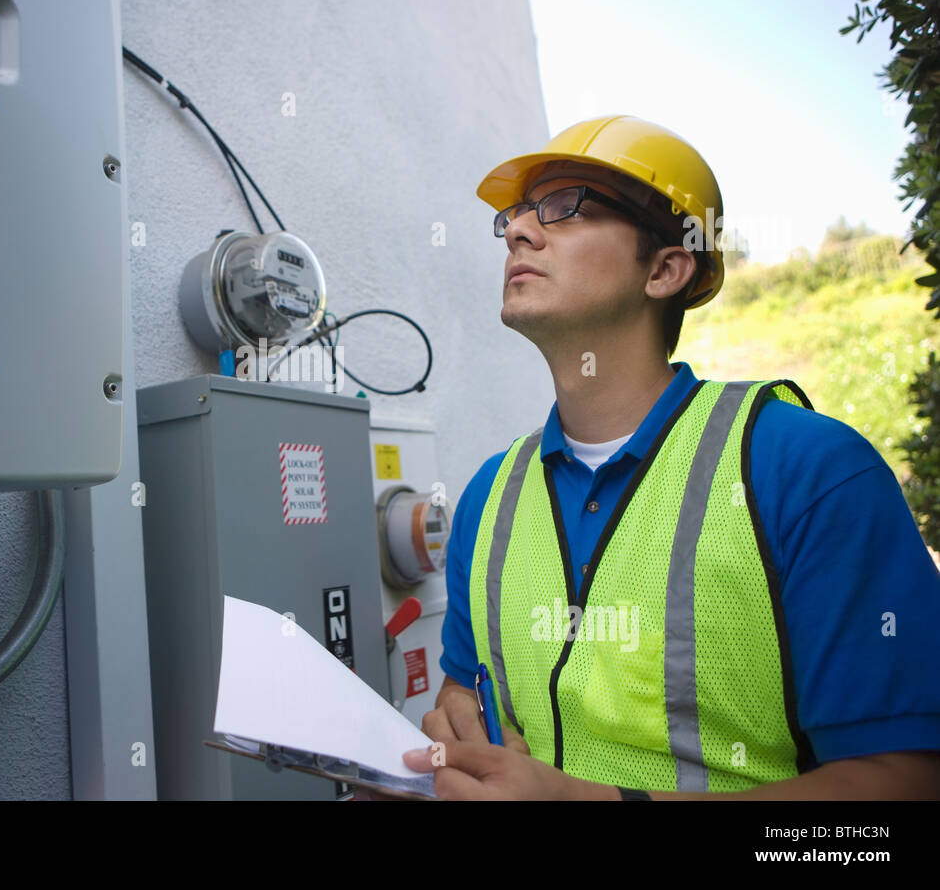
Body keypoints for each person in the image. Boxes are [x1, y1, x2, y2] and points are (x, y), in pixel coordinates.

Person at [400, 115, 940, 799]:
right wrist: (455, 722)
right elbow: (462, 687)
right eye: (517, 214)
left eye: (566, 208)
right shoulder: (488, 494)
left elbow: (899, 793)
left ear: (665, 268)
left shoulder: (810, 471)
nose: (518, 230)